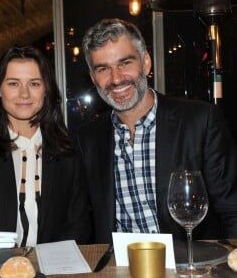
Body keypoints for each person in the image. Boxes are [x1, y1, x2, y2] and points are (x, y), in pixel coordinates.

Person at [78, 18, 237, 244]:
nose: (115, 78)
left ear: (146, 63)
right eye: (103, 68)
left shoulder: (200, 121)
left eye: (125, 63)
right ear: (93, 78)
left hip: (192, 264)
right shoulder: (88, 139)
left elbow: (232, 207)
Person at [0, 45, 91, 246]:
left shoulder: (69, 152)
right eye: (13, 83)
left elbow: (79, 226)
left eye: (34, 83)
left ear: (46, 90)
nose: (24, 94)